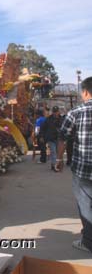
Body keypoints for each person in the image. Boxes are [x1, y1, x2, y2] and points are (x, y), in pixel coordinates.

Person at [56, 76, 92, 253]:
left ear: (85, 92)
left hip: (84, 169)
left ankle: (88, 242)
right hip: (83, 169)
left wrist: (58, 160)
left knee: (86, 204)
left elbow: (63, 137)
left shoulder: (76, 112)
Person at [41, 105, 63, 171]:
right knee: (53, 152)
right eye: (54, 112)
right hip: (51, 138)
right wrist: (41, 136)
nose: (55, 113)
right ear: (52, 112)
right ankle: (54, 165)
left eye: (56, 112)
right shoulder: (48, 119)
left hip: (59, 138)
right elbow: (43, 128)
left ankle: (57, 164)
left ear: (58, 112)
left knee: (58, 152)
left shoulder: (61, 119)